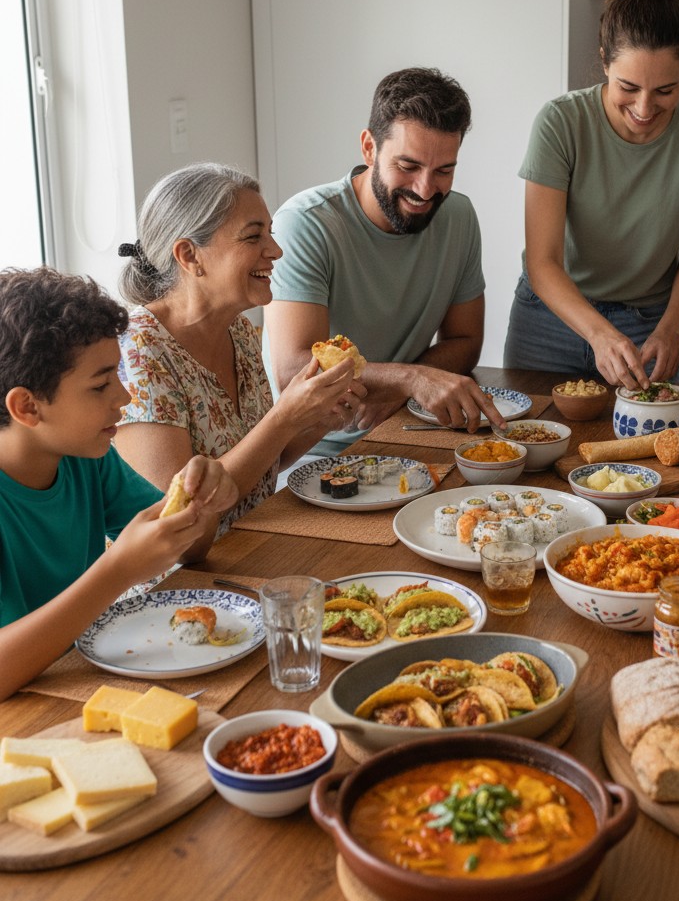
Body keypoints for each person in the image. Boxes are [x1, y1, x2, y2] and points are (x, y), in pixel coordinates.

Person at [503, 0, 679, 389]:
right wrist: (598, 335)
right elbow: (543, 260)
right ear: (604, 62)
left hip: (646, 325)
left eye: (666, 90)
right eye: (627, 87)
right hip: (548, 320)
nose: (645, 108)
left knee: (647, 455)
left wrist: (671, 329)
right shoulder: (561, 122)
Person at [0, 267, 238, 700]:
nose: (125, 397)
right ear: (27, 407)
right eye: (100, 384)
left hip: (78, 682)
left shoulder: (86, 458)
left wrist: (203, 502)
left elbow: (191, 547)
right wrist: (118, 572)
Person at [264, 67, 503, 452]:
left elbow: (466, 339)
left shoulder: (459, 217)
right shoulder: (305, 224)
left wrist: (403, 389)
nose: (426, 190)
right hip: (311, 450)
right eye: (408, 167)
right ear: (369, 148)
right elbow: (294, 371)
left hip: (412, 429)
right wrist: (411, 381)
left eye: (444, 170)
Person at [114, 164, 363, 534]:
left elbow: (265, 461)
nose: (276, 250)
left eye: (271, 234)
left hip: (252, 544)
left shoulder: (241, 331)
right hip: (181, 584)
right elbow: (178, 522)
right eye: (253, 237)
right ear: (189, 255)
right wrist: (286, 417)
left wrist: (318, 418)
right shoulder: (139, 353)